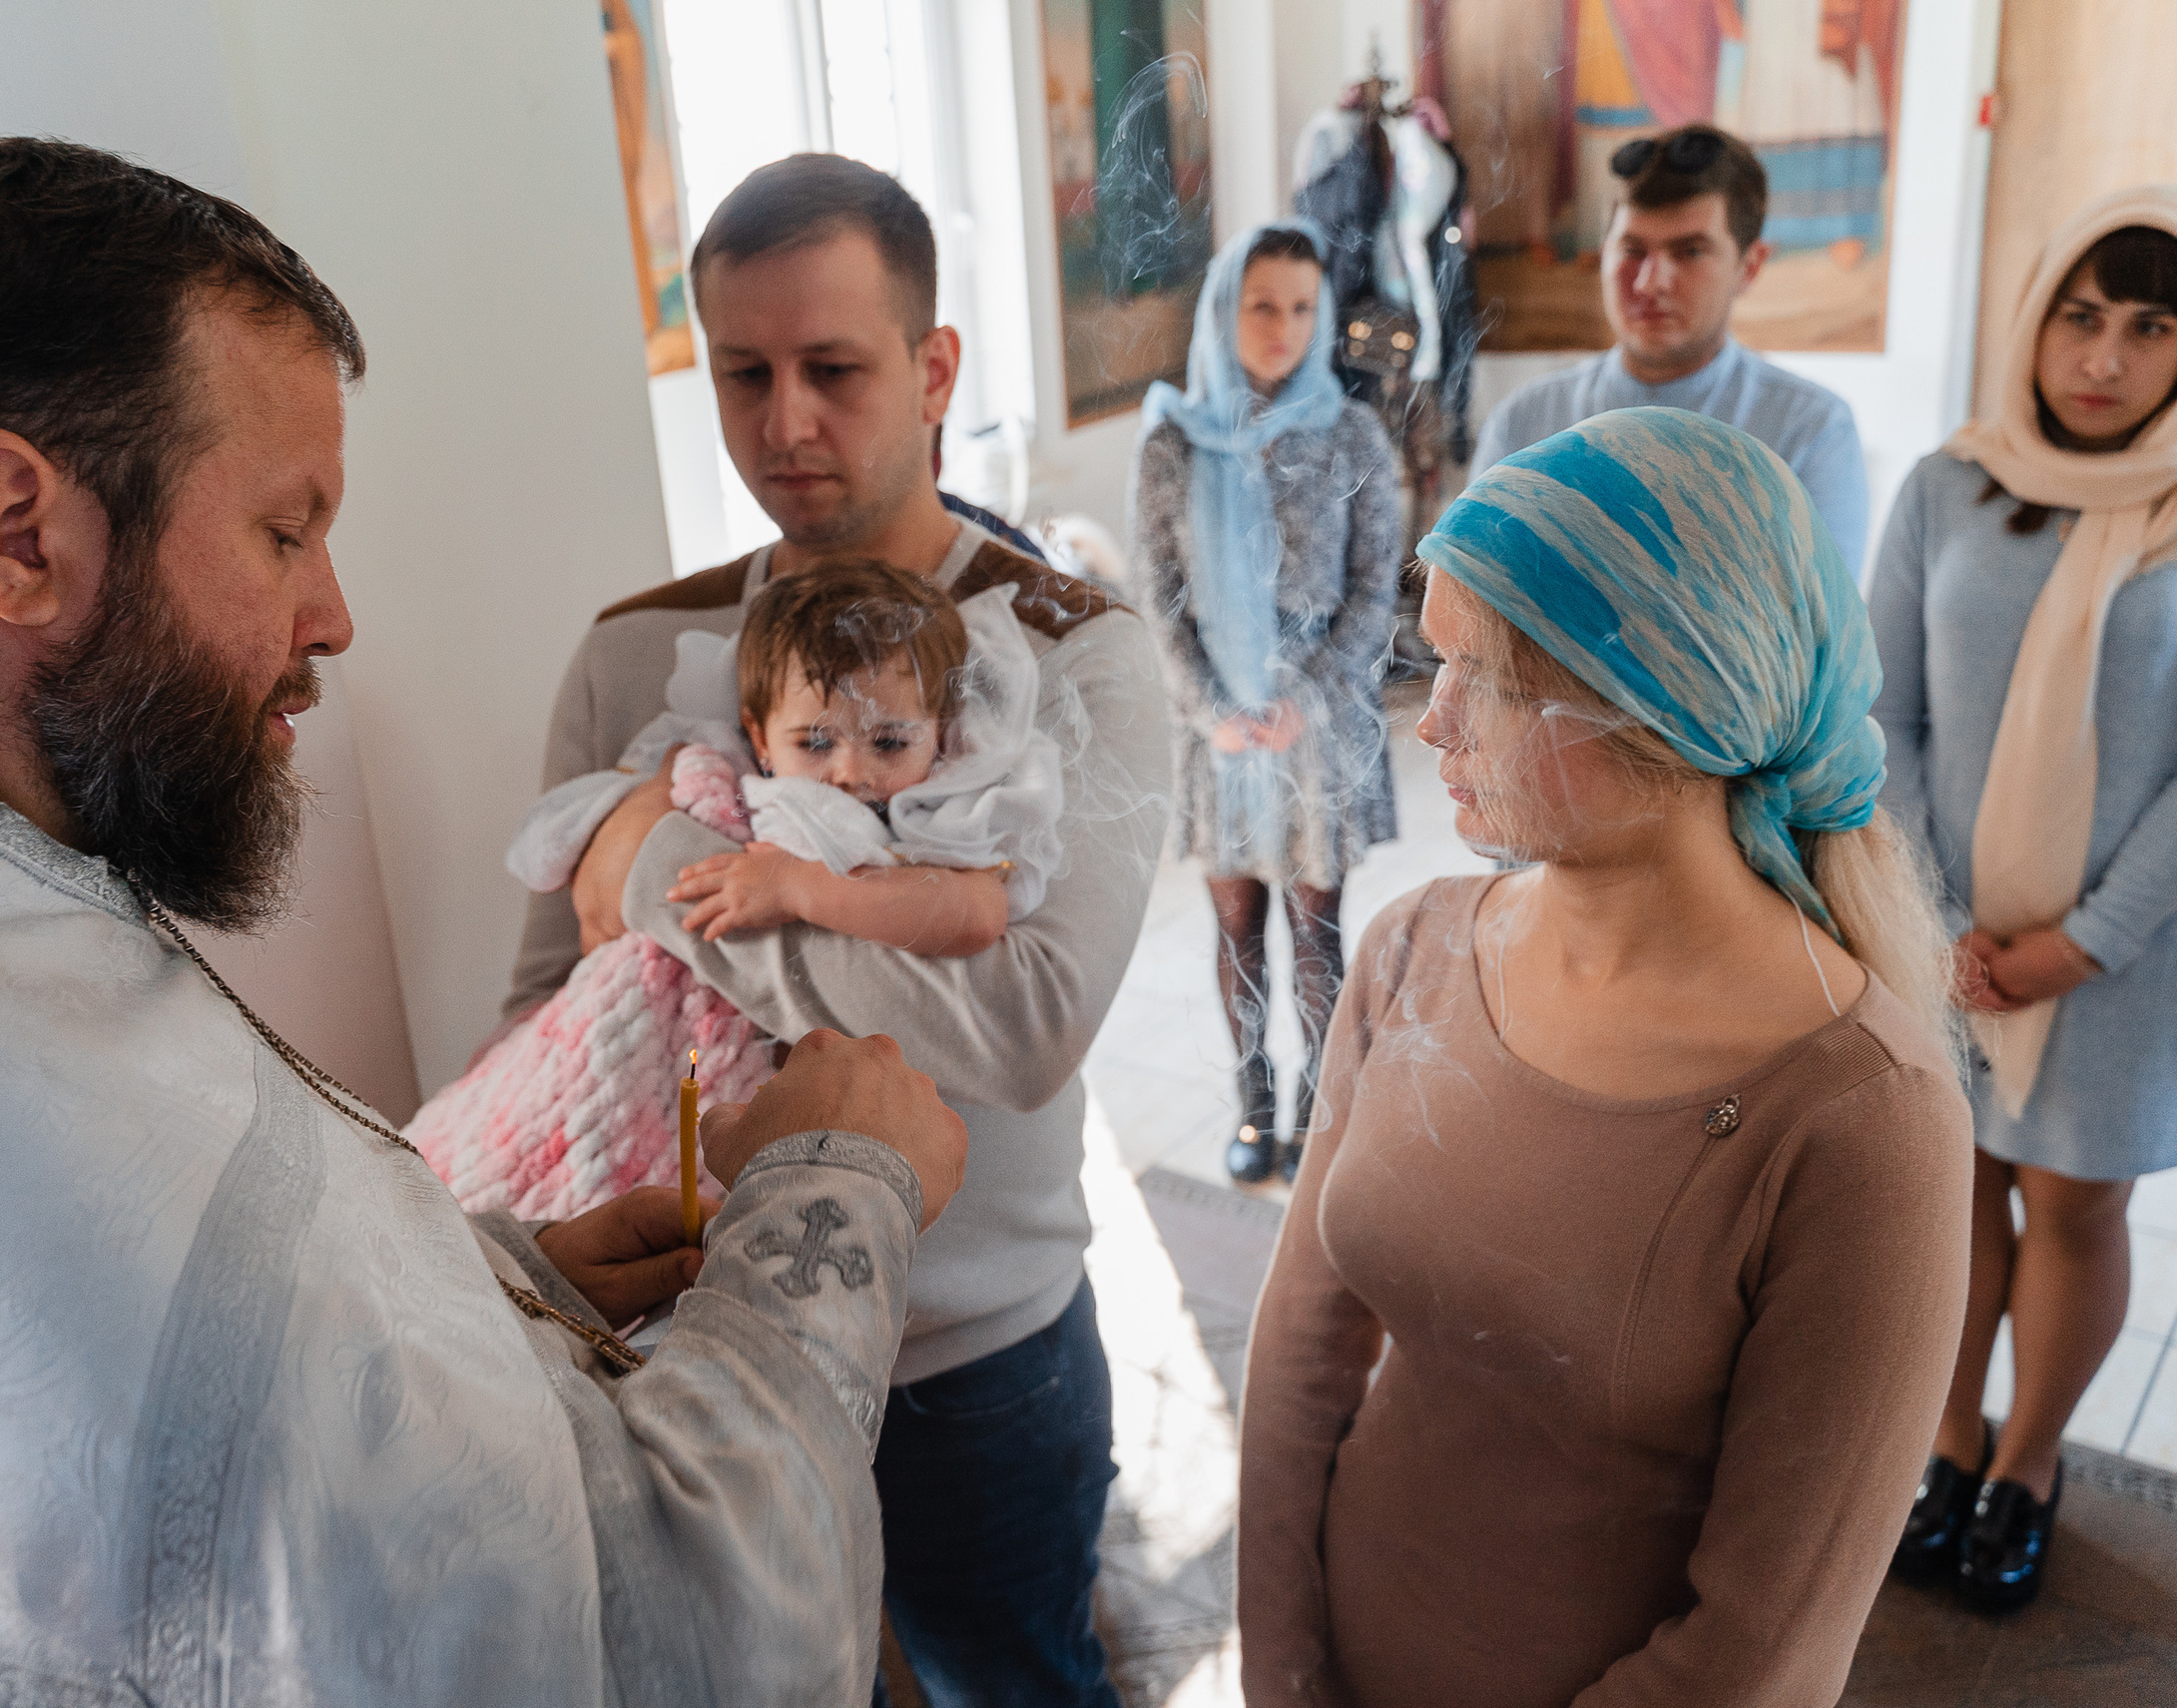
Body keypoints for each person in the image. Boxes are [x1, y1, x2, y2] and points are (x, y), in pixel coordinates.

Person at [0, 128, 972, 1704]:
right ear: (14, 530)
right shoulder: (69, 1170)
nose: (332, 616)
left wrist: (486, 1294)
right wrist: (836, 1180)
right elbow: (700, 1641)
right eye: (283, 528)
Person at [511, 154, 1170, 1705]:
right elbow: (541, 1000)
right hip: (707, 1340)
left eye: (833, 368)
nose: (784, 421)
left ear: (934, 368)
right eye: (744, 373)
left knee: (1014, 1678)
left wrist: (660, 850)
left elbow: (1024, 1022)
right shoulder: (634, 649)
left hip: (971, 1352)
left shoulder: (1081, 658)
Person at [1239, 408, 1973, 1706]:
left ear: (1669, 711)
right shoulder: (1415, 946)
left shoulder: (1864, 1120)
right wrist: (1285, 1670)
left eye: (1496, 681)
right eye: (1435, 661)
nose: (1433, 723)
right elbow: (1303, 1348)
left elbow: (1759, 1648)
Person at [1872, 189, 2177, 1613]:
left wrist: (2080, 943)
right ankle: (1945, 1435)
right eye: (2081, 314)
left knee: (2068, 1201)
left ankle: (2030, 1461)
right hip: (1943, 934)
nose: (2105, 356)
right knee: (1952, 1185)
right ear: (2036, 320)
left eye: (2150, 326)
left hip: (2124, 957)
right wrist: (1933, 922)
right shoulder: (1947, 482)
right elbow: (1887, 712)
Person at [414, 559, 1063, 1220]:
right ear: (759, 735)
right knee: (487, 1179)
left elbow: (976, 913)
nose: (849, 771)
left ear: (941, 731)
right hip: (634, 1038)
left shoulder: (936, 817)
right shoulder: (718, 773)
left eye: (890, 741)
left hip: (789, 1120)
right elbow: (593, 898)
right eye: (815, 741)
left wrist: (802, 889)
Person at [1131, 218, 1400, 1186]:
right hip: (1217, 735)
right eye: (1261, 306)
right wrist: (1210, 708)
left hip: (1315, 732)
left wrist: (1310, 698)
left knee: (1316, 929)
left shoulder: (1352, 433)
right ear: (1223, 311)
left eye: (1300, 306)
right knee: (1236, 926)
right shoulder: (1170, 444)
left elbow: (1376, 593)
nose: (1282, 327)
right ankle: (1254, 1104)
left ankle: (1324, 1113)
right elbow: (1156, 596)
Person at [1472, 125, 1870, 579]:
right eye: (1632, 251)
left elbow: (1818, 635)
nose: (1649, 283)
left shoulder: (1810, 432)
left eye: (1689, 252)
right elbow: (1472, 612)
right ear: (1604, 254)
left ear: (1749, 266)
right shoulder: (1525, 422)